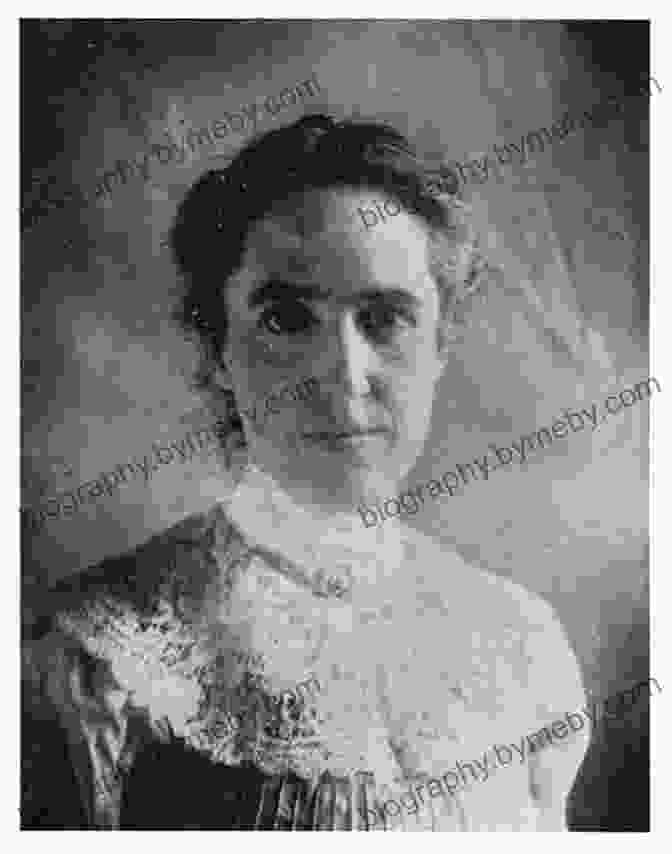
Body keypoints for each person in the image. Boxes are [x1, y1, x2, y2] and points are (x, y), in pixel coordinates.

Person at [22, 114, 589, 830]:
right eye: (288, 319)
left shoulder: (520, 648)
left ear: (441, 346)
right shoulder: (102, 662)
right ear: (218, 350)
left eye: (384, 318)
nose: (343, 376)